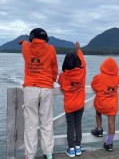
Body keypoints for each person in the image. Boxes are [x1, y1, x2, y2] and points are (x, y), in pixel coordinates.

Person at [19, 28, 58, 159]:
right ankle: (48, 154)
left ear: (31, 38)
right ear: (45, 39)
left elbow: (25, 44)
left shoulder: (26, 48)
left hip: (30, 89)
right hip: (46, 88)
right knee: (46, 123)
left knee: (31, 124)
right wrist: (50, 80)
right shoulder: (51, 49)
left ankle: (30, 155)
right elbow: (54, 68)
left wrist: (23, 42)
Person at [58, 42, 86, 157]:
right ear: (78, 62)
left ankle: (71, 149)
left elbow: (60, 84)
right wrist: (78, 49)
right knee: (78, 125)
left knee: (70, 126)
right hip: (80, 104)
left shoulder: (63, 76)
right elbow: (82, 59)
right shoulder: (82, 71)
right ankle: (78, 147)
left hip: (69, 106)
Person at [90, 57, 119, 151]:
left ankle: (99, 129)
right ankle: (109, 143)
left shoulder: (99, 77)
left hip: (101, 103)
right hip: (112, 105)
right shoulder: (118, 78)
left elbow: (93, 85)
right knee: (111, 123)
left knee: (98, 112)